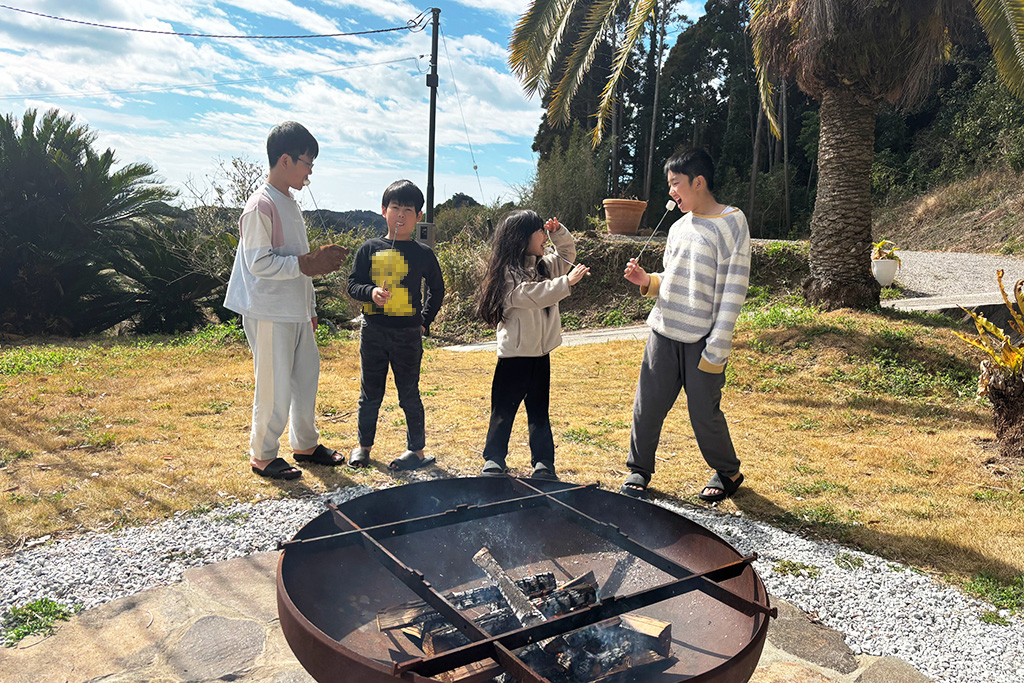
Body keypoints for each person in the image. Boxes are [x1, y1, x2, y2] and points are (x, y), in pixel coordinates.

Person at [620, 148, 750, 502]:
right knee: (647, 405)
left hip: (702, 338)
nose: (672, 192)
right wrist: (646, 279)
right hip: (663, 329)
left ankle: (728, 472)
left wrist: (718, 345)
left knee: (703, 412)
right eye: (670, 185)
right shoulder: (678, 227)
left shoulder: (732, 223)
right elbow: (673, 279)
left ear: (699, 181)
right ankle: (639, 468)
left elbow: (733, 289)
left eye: (676, 184)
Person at [224, 121, 349, 480]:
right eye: (307, 163)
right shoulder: (259, 205)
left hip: (294, 310)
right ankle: (262, 454)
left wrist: (309, 309)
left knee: (306, 377)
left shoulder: (288, 201)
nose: (310, 171)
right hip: (268, 311)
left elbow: (298, 263)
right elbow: (258, 262)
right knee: (274, 385)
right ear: (285, 160)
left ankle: (305, 444)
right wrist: (309, 263)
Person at [475, 210, 590, 480]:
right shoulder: (506, 273)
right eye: (538, 231)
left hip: (541, 355)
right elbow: (529, 295)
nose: (543, 236)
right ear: (520, 238)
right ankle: (494, 458)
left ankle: (544, 463)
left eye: (542, 230)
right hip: (514, 356)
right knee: (503, 410)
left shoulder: (544, 265)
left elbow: (568, 253)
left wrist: (557, 231)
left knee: (539, 410)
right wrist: (566, 283)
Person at [347, 179, 445, 471]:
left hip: (408, 335)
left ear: (418, 217)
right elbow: (353, 284)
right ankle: (363, 447)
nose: (401, 215)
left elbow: (437, 290)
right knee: (370, 393)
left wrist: (424, 321)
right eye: (395, 207)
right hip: (373, 331)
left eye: (409, 210)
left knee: (409, 393)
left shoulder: (423, 253)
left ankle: (416, 450)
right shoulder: (368, 249)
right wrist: (371, 293)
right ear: (383, 210)